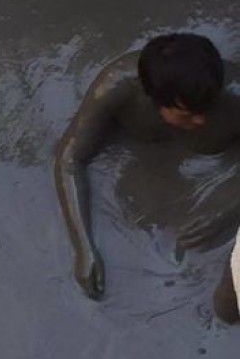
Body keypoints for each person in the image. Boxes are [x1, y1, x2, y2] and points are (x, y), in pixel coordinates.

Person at [54, 33, 240, 322]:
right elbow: (70, 160)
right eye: (187, 114)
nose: (201, 120)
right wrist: (83, 248)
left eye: (206, 107)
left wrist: (228, 209)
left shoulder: (234, 97)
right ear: (154, 100)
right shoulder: (116, 87)